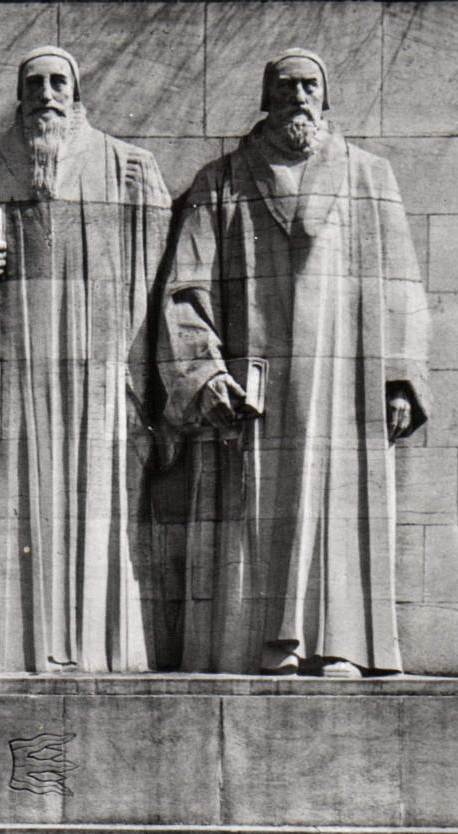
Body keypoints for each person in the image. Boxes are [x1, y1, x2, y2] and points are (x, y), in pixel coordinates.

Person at [158, 48, 430, 678]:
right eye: (285, 87)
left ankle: (343, 645)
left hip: (344, 380)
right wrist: (203, 372)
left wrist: (400, 381)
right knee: (257, 507)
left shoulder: (368, 176)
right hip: (254, 387)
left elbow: (401, 287)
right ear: (267, 97)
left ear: (325, 98)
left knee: (339, 502)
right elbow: (184, 289)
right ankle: (262, 647)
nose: (298, 97)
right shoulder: (220, 181)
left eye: (310, 86)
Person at [0, 46, 170, 673]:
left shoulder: (128, 170)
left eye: (58, 83)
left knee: (92, 503)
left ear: (75, 97)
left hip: (95, 373)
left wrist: (147, 390)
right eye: (34, 84)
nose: (46, 94)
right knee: (2, 503)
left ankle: (89, 648)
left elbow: (161, 289)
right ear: (19, 97)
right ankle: (0, 648)